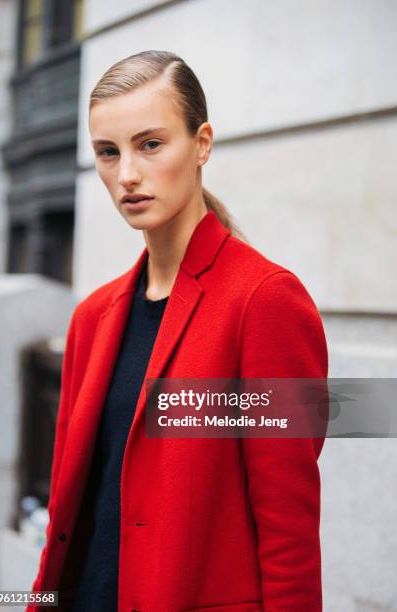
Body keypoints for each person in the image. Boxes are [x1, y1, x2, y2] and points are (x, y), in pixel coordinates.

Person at [27, 50, 328, 612]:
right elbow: (72, 513)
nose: (128, 175)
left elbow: (289, 532)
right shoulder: (91, 319)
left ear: (202, 144)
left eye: (151, 144)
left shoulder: (265, 302)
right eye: (108, 153)